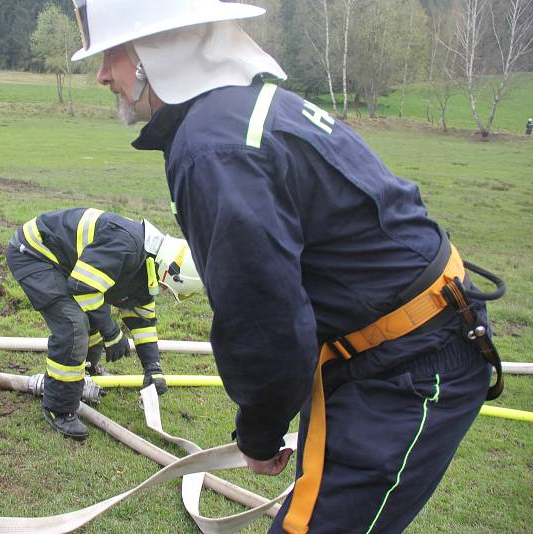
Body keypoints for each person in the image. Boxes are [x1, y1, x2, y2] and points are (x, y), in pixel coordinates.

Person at [70, 1, 504, 532]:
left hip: (407, 367)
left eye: (111, 55)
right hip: (390, 347)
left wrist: (259, 430)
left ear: (150, 56)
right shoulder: (244, 112)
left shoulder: (214, 146)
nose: (101, 76)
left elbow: (263, 314)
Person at [6, 208, 202, 441]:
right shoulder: (126, 246)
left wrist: (153, 367)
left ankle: (86, 369)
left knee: (94, 313)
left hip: (68, 265)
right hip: (35, 253)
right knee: (74, 324)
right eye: (167, 287)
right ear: (170, 273)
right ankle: (57, 406)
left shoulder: (150, 264)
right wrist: (112, 333)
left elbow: (142, 318)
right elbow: (83, 287)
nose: (163, 291)